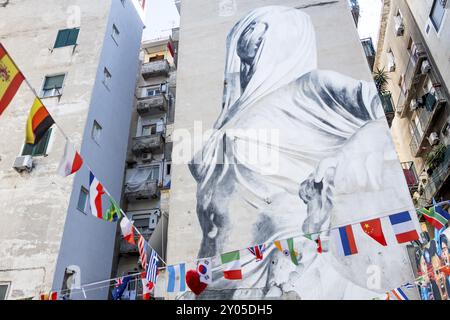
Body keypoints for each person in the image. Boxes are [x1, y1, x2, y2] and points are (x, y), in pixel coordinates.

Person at [189, 6, 415, 299]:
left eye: (256, 51)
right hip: (225, 279)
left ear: (286, 43)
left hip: (291, 263)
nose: (247, 68)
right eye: (243, 59)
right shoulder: (228, 124)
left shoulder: (314, 86)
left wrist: (343, 163)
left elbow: (375, 109)